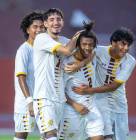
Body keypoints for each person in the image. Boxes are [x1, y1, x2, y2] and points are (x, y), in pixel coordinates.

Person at [72, 27, 136, 140]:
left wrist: (89, 90)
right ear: (113, 43)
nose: (126, 48)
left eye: (128, 45)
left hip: (118, 105)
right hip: (99, 101)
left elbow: (114, 86)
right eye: (123, 44)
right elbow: (84, 56)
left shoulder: (130, 61)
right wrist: (78, 65)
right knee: (100, 135)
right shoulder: (98, 51)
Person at [32, 8, 82, 140]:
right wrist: (77, 36)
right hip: (44, 97)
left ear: (63, 22)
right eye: (52, 19)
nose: (56, 22)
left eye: (58, 19)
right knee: (51, 135)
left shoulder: (65, 40)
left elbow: (84, 54)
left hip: (60, 99)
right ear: (45, 24)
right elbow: (66, 51)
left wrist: (79, 64)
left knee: (50, 136)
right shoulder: (42, 38)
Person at [58, 21, 104, 140]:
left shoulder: (93, 54)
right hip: (72, 110)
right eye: (84, 44)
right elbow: (58, 90)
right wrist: (75, 105)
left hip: (92, 108)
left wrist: (81, 64)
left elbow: (92, 54)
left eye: (91, 45)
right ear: (78, 45)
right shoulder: (68, 63)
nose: (87, 47)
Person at [14, 11, 45, 140]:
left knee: (49, 134)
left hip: (44, 101)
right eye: (35, 27)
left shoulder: (44, 49)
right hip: (26, 103)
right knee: (21, 136)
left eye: (42, 27)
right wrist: (29, 101)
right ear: (28, 29)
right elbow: (21, 77)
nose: (39, 30)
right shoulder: (24, 50)